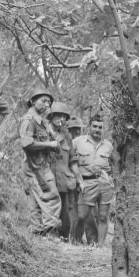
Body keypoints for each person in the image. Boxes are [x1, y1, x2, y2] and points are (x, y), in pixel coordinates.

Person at [18, 88, 61, 235]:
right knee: (52, 196)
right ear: (32, 101)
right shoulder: (29, 120)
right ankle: (51, 232)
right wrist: (49, 144)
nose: (47, 104)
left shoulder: (41, 122)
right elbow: (27, 144)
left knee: (37, 199)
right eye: (43, 101)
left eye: (49, 102)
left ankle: (37, 231)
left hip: (39, 164)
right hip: (35, 166)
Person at [70, 114, 114, 247]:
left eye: (100, 127)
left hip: (104, 183)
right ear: (89, 127)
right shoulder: (78, 142)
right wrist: (78, 181)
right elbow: (71, 160)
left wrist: (111, 181)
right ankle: (76, 242)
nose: (97, 129)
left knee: (103, 216)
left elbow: (114, 164)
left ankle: (99, 246)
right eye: (94, 126)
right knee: (81, 216)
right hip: (86, 183)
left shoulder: (108, 146)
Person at [47, 102, 78, 240]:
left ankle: (64, 240)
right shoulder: (43, 133)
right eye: (59, 115)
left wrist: (80, 180)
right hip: (46, 182)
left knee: (65, 220)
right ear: (51, 116)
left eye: (65, 117)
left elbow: (72, 160)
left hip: (62, 182)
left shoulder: (67, 137)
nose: (62, 119)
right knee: (47, 212)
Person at [67, 117, 98, 244]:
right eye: (72, 130)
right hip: (71, 182)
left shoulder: (86, 142)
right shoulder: (67, 142)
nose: (75, 132)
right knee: (74, 214)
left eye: (77, 129)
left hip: (85, 182)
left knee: (88, 213)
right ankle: (76, 239)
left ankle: (92, 241)